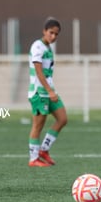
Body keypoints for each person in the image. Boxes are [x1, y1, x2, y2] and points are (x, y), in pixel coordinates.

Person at [27, 17, 68, 167]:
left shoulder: (48, 48)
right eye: (51, 33)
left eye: (56, 34)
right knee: (38, 126)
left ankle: (44, 150)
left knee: (62, 119)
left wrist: (51, 91)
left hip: (49, 92)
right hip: (39, 93)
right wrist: (50, 91)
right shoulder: (37, 46)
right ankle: (33, 158)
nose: (53, 36)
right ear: (44, 31)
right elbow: (39, 72)